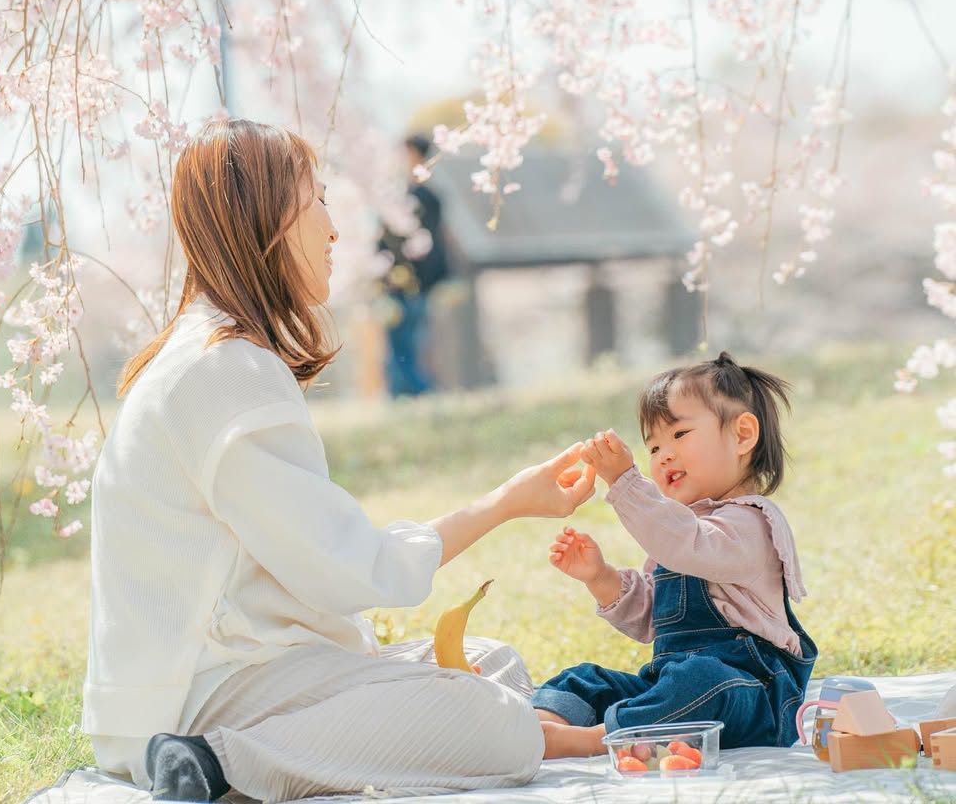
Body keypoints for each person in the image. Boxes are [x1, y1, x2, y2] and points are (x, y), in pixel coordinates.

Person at [82, 117, 598, 802]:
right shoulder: (226, 368)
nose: (333, 229)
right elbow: (347, 569)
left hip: (219, 675)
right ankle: (214, 762)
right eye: (316, 199)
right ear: (266, 217)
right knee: (495, 722)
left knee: (492, 664)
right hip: (193, 700)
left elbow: (309, 567)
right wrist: (505, 504)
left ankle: (240, 755)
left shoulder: (209, 352)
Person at [532, 352, 818, 759]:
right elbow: (651, 618)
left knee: (699, 679)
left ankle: (595, 740)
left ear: (742, 436)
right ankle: (535, 729)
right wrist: (600, 577)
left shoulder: (751, 523)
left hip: (750, 696)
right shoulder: (679, 530)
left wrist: (625, 482)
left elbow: (688, 544)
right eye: (653, 446)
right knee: (584, 679)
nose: (663, 454)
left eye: (679, 434)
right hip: (674, 688)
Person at [377, 133, 450, 397]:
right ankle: (406, 396)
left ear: (415, 155)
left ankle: (423, 394)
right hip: (400, 281)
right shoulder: (408, 194)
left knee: (404, 347)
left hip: (410, 282)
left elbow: (427, 246)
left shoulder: (422, 197)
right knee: (401, 346)